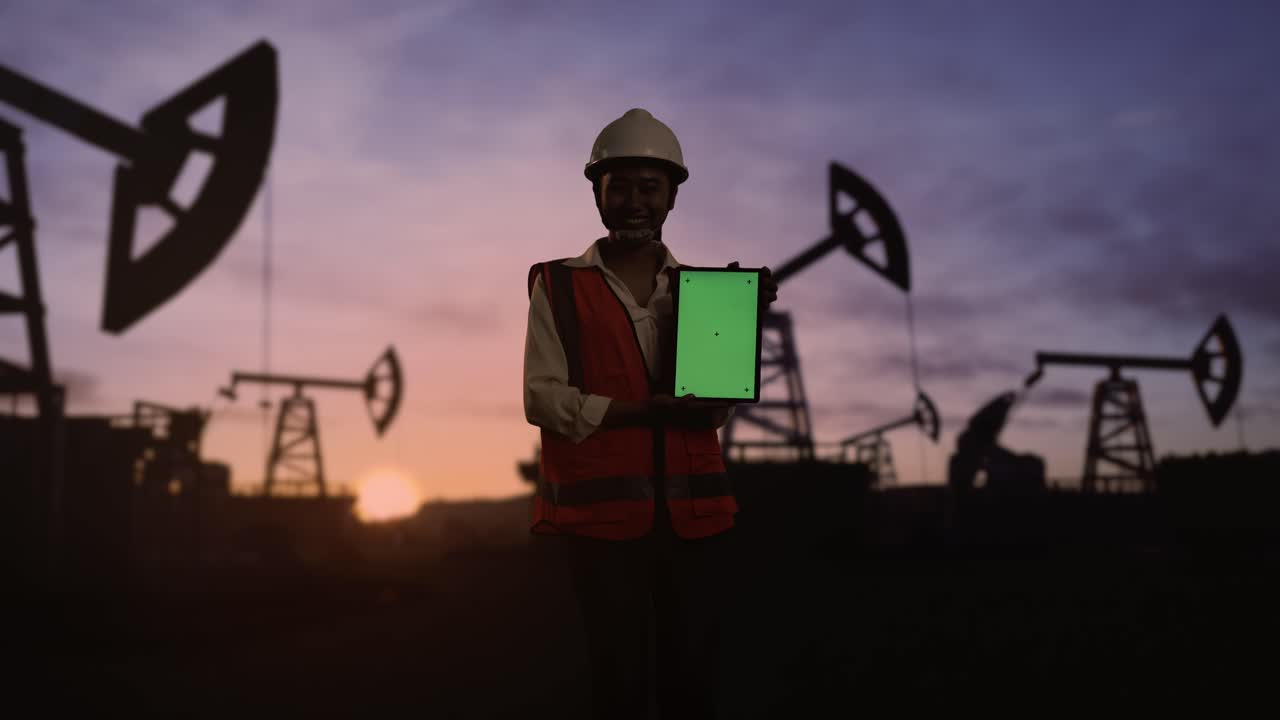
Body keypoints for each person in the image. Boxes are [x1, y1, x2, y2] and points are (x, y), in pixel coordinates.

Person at [522, 108, 778, 719]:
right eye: (620, 186)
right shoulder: (557, 286)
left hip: (695, 520)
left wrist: (742, 324)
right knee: (620, 681)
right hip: (603, 524)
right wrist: (641, 413)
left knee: (691, 680)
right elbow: (543, 398)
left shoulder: (703, 290)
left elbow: (708, 414)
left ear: (671, 198)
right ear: (597, 193)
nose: (634, 201)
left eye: (649, 187)